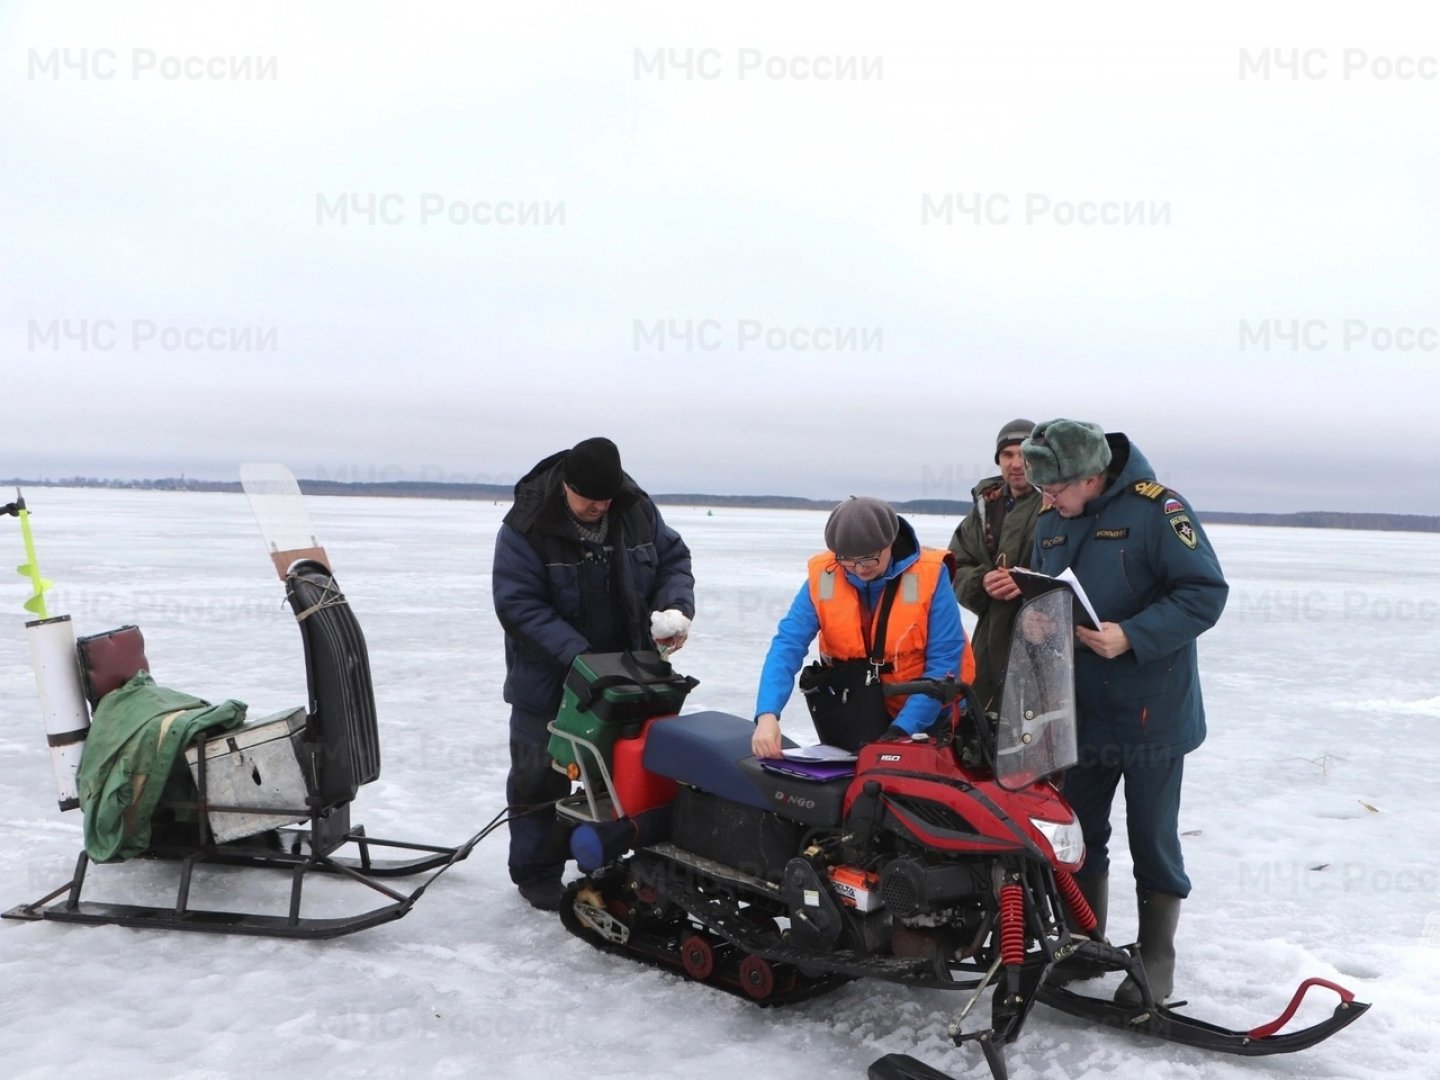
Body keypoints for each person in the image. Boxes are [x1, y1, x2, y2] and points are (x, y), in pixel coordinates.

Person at [1021, 419, 1227, 1004]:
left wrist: (1132, 635)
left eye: (1055, 489)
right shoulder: (1051, 519)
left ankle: (1156, 956)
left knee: (1152, 837)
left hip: (1150, 711)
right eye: (1041, 491)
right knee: (1080, 831)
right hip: (1081, 710)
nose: (1047, 501)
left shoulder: (1158, 511)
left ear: (1091, 477)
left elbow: (1204, 593)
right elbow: (1047, 589)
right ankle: (1085, 942)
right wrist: (1038, 619)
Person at [493, 437, 696, 910]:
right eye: (589, 499)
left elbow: (673, 559)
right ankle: (537, 872)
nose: (598, 507)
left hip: (626, 678)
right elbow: (518, 605)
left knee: (621, 771)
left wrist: (674, 608)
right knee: (538, 775)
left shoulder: (635, 509)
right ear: (567, 485)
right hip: (549, 678)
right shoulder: (526, 525)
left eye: (606, 499)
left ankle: (610, 860)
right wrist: (581, 659)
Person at [751, 496, 972, 758]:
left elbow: (945, 661)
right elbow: (788, 644)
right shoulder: (825, 575)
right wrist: (767, 713)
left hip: (929, 717)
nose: (859, 569)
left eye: (869, 559)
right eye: (848, 560)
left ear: (889, 542)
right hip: (857, 710)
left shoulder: (930, 575)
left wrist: (900, 732)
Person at [947, 418, 1043, 712]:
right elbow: (954, 565)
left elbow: (1076, 571)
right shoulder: (984, 508)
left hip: (1042, 639)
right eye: (1007, 454)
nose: (1016, 463)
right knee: (984, 721)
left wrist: (1027, 582)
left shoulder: (1058, 503)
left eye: (1025, 454)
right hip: (989, 640)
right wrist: (983, 581)